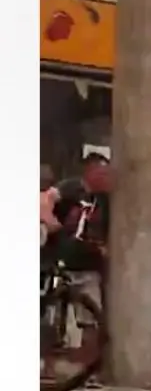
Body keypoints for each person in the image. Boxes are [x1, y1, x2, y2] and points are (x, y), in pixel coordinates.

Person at [39, 153, 113, 370]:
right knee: (50, 317)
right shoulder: (72, 187)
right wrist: (50, 221)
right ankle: (47, 368)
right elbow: (45, 199)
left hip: (89, 265)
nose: (105, 177)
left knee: (91, 319)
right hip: (60, 261)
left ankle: (87, 371)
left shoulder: (105, 199)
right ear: (89, 171)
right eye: (100, 172)